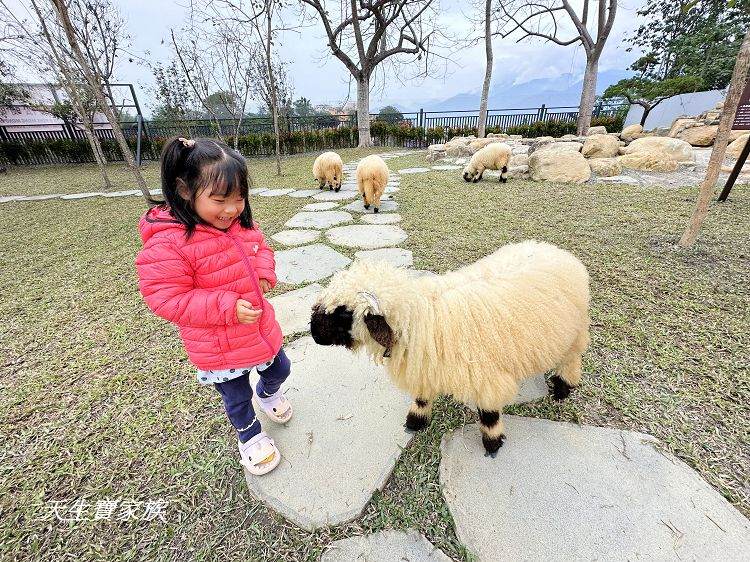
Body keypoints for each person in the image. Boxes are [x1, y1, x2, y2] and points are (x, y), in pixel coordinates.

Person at [135, 137, 291, 476]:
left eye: (239, 198)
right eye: (220, 200)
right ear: (185, 190)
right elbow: (165, 298)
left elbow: (261, 248)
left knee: (280, 369)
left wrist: (264, 271)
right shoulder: (168, 242)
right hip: (218, 346)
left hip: (259, 329)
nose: (233, 209)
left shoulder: (239, 224)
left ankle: (268, 393)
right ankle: (250, 437)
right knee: (236, 398)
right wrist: (226, 306)